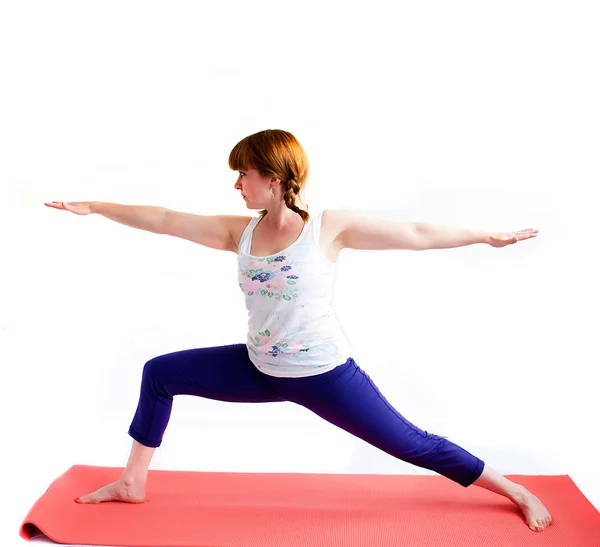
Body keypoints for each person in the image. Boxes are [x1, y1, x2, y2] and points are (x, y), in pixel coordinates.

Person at [44, 129, 551, 532]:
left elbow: (416, 235)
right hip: (257, 367)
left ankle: (517, 491)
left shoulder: (326, 227)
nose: (236, 184)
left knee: (415, 445)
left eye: (242, 174)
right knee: (160, 373)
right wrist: (95, 207)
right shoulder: (237, 230)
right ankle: (132, 482)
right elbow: (165, 219)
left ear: (273, 177)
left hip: (323, 376)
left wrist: (486, 236)